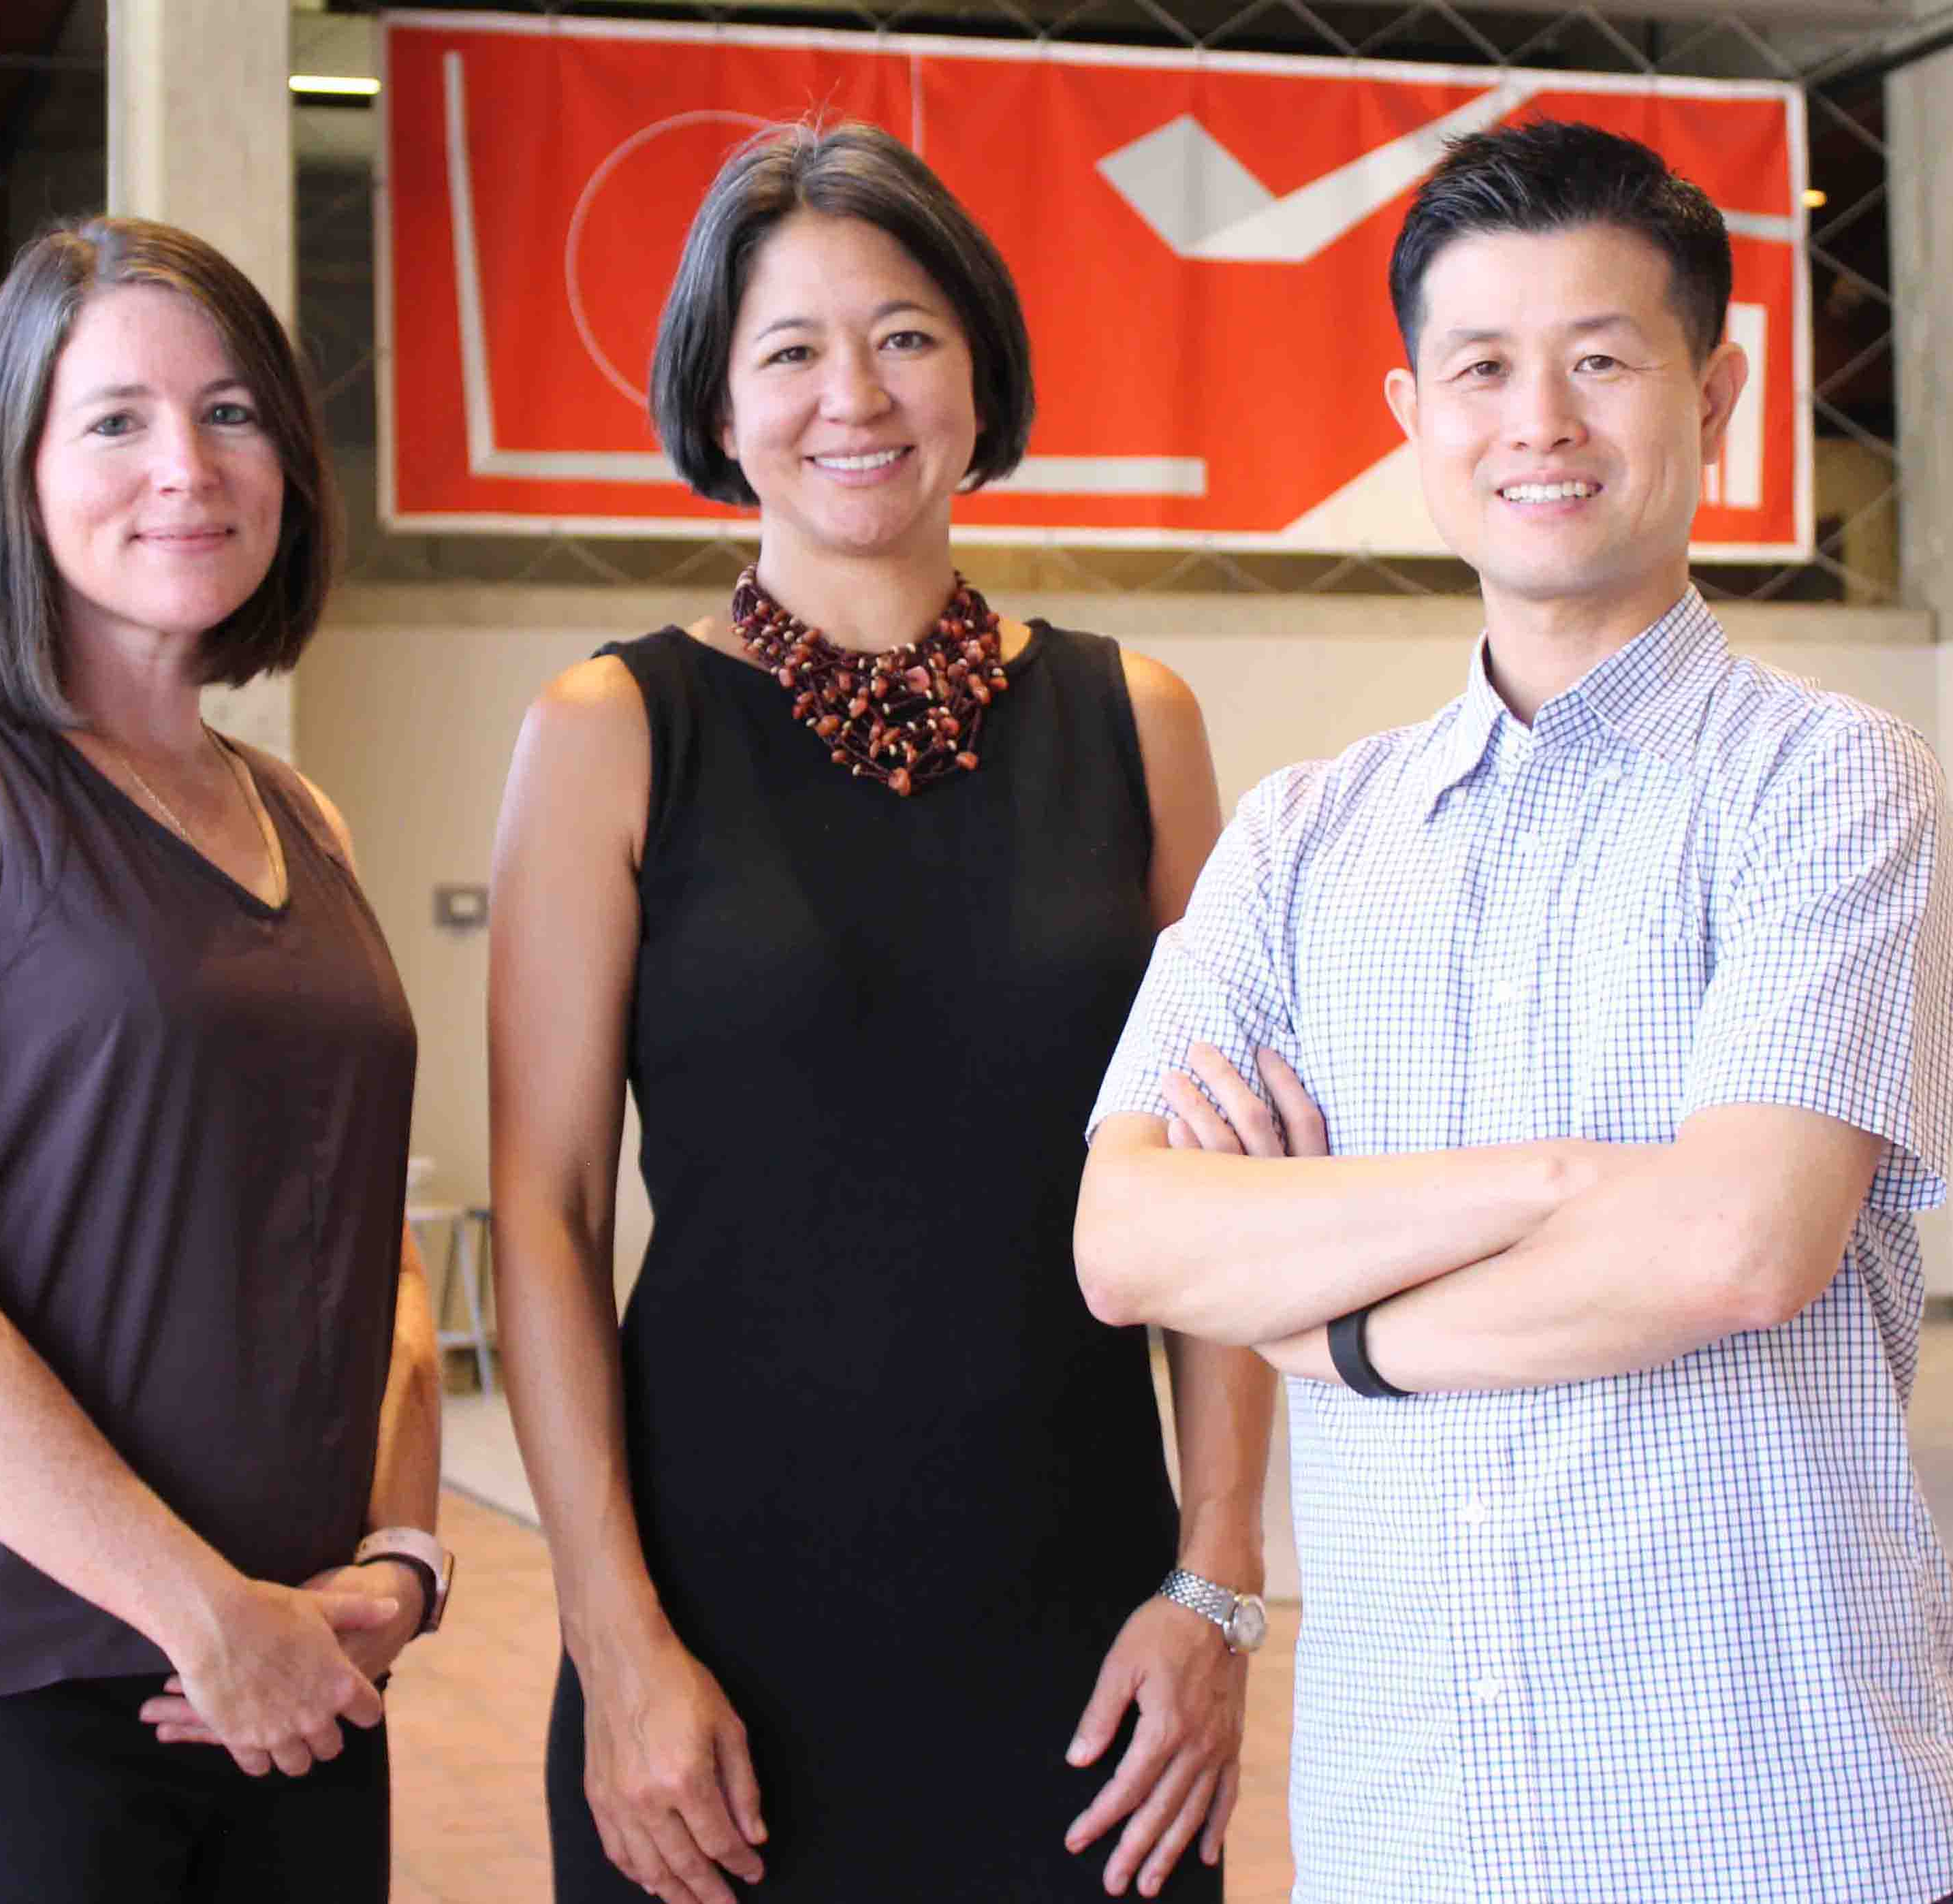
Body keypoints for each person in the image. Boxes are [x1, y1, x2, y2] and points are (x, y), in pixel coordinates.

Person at [1075, 121, 1953, 1903]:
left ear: (1714, 394)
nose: (1539, 421)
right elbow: (1128, 1238)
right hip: (1415, 1832)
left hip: (1779, 1821)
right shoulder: (1296, 840)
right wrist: (1578, 1188)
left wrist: (1338, 1321)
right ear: (1410, 406)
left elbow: (1739, 1246)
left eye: (1600, 360)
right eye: (1483, 368)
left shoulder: (1829, 791)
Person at [487, 121, 1280, 1904]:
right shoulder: (613, 732)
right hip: (713, 1648)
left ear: (981, 374)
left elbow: (1222, 1199)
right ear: (718, 398)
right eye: (791, 347)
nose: (855, 391)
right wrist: (614, 1640)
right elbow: (541, 1213)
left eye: (907, 333)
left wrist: (1215, 1582)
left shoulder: (1133, 722)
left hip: (1087, 1655)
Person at [0, 216, 451, 1904]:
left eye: (231, 414)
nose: (185, 468)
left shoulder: (305, 819)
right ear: (20, 466)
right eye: (116, 419)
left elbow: (374, 1243)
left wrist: (402, 1555)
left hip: (284, 1693)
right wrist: (202, 1609)